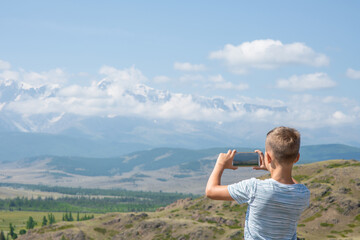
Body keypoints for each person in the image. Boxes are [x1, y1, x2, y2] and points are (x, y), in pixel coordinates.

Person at [205, 126, 310, 240]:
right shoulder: (303, 194)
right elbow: (291, 185)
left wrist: (220, 164)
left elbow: (211, 191)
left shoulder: (255, 188)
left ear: (268, 157)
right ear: (297, 158)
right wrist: (272, 169)